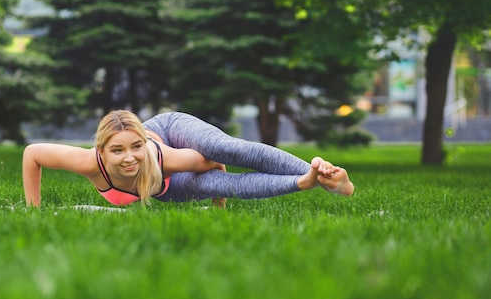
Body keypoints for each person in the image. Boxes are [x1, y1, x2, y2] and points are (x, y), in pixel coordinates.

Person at [22, 110, 354, 208]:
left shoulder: (162, 157)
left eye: (135, 147)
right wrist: (32, 210)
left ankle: (327, 178)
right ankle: (305, 181)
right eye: (117, 150)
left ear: (144, 143)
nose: (129, 159)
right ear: (101, 151)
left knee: (225, 152)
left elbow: (210, 161)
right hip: (165, 187)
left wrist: (218, 204)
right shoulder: (87, 162)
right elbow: (32, 154)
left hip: (172, 131)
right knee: (216, 184)